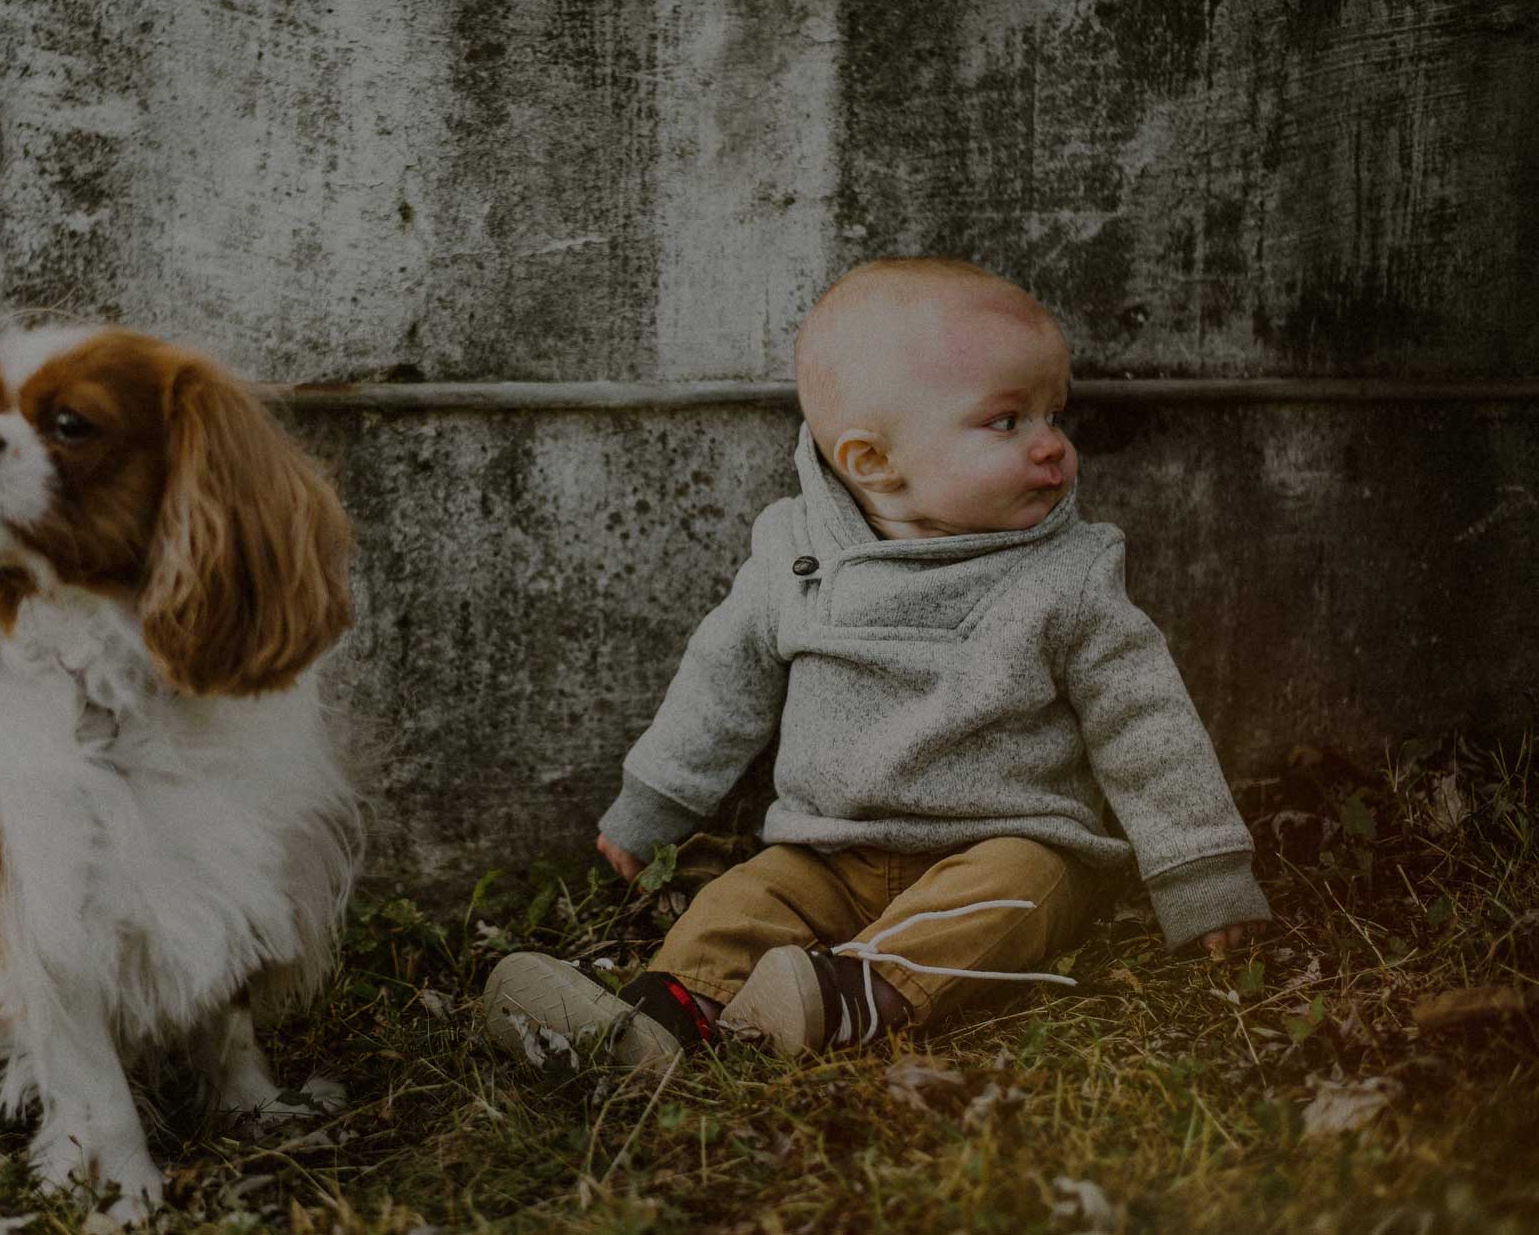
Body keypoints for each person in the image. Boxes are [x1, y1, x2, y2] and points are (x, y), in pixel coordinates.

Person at [481, 257, 1270, 1063]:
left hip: (1004, 840)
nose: (1053, 448)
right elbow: (723, 681)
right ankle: (656, 1017)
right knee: (739, 901)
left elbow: (1145, 719)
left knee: (1016, 894)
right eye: (1008, 422)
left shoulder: (1067, 573)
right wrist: (654, 802)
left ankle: (853, 992)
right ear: (872, 462)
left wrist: (1201, 871)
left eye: (1054, 416)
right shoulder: (797, 554)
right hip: (826, 849)